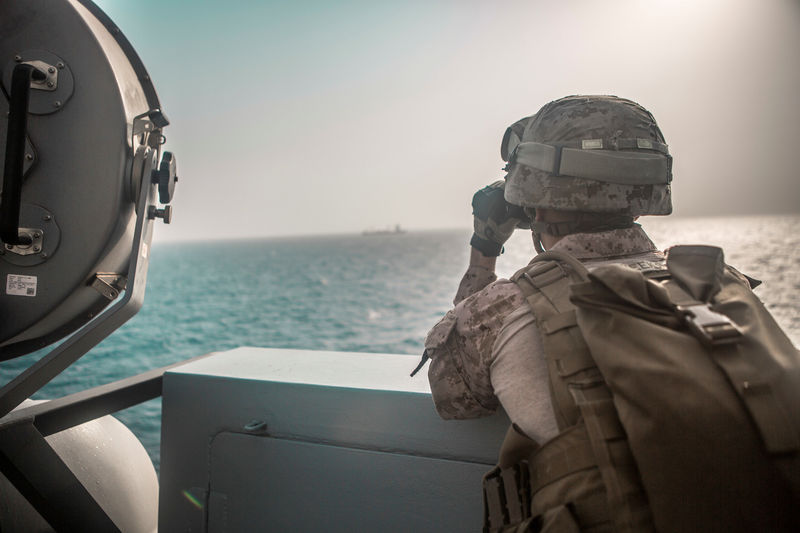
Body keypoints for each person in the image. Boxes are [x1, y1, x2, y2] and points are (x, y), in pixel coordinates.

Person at [421, 95, 799, 532]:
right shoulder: (721, 282)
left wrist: (484, 250)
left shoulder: (504, 307)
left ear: (532, 201)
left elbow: (453, 397)